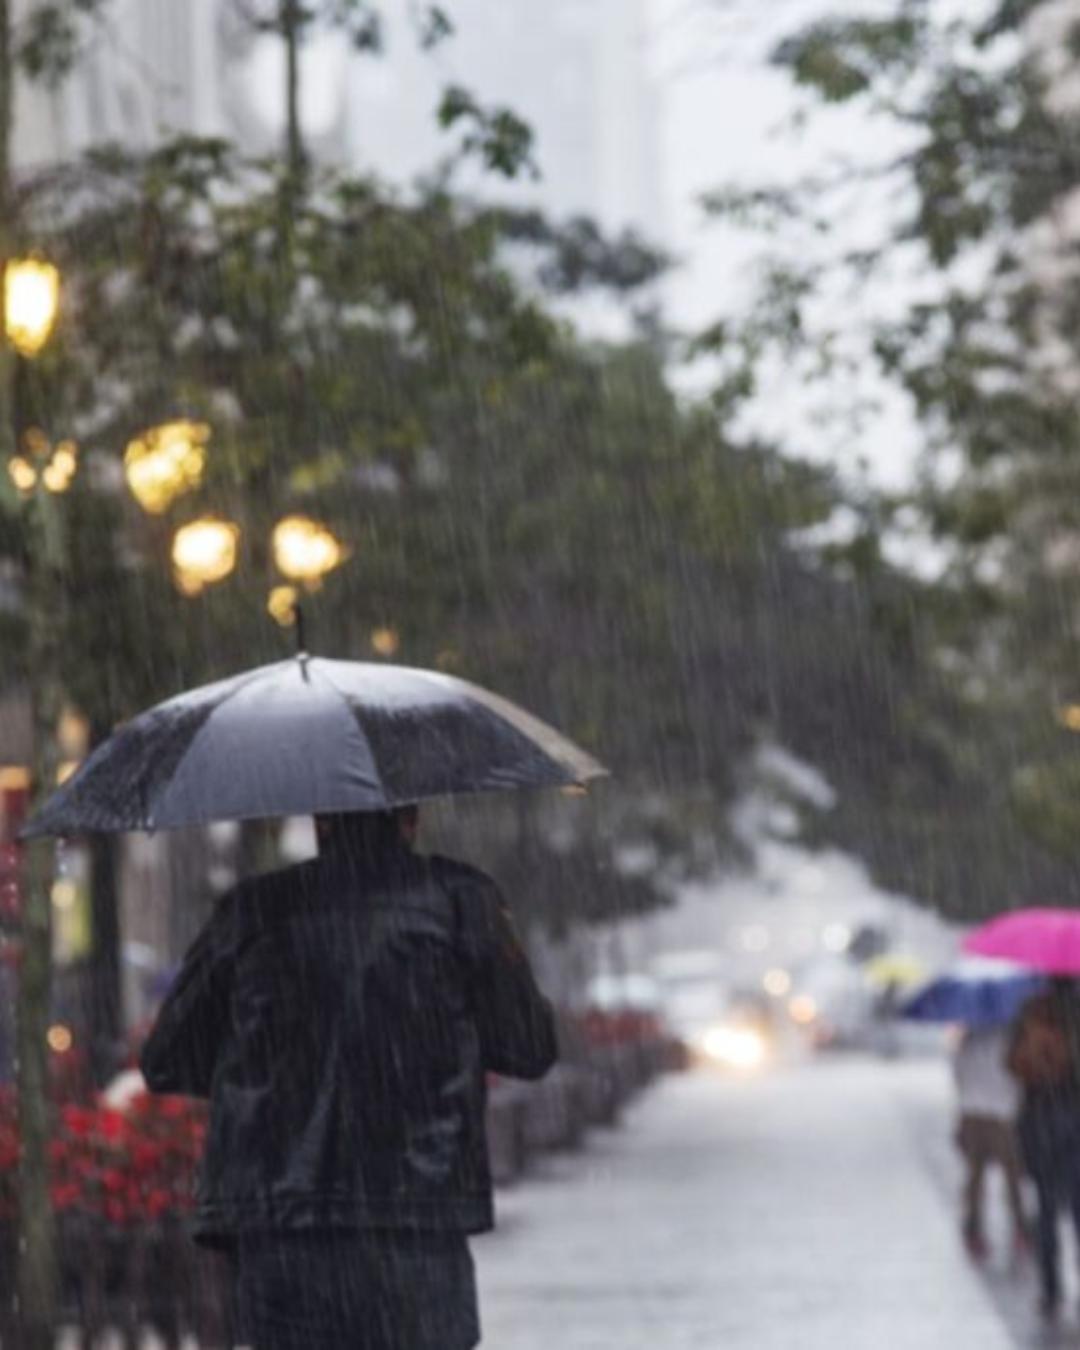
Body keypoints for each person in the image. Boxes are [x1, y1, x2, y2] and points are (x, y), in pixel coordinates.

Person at [140, 806, 557, 1350]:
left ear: (320, 822)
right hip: (417, 1227)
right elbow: (529, 1048)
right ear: (410, 818)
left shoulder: (253, 910)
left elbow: (169, 1057)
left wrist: (264, 1075)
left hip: (284, 1232)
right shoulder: (460, 901)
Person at [1007, 979, 1080, 1320]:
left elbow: (1010, 1065)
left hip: (1041, 1120)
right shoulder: (1072, 1020)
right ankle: (1054, 1288)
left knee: (1048, 1209)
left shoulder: (1029, 1018)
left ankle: (1052, 1291)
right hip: (1069, 1118)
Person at [951, 1025, 1027, 1260]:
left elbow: (958, 1075)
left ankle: (974, 1230)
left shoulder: (968, 1040)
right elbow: (1018, 1077)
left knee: (975, 1177)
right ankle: (1020, 1229)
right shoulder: (1011, 1038)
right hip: (1003, 1113)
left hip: (973, 1112)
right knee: (1013, 1176)